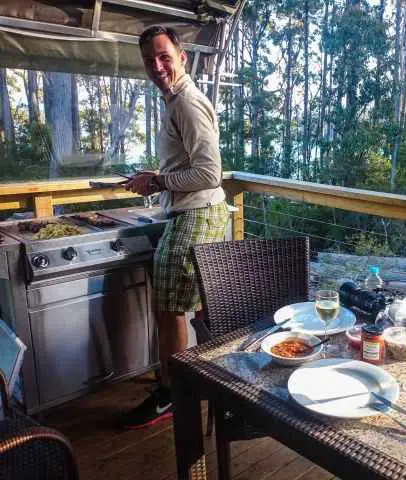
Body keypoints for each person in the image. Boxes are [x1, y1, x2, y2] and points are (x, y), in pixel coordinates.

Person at [121, 25, 229, 429]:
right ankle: (198, 379)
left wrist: (160, 182)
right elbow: (189, 164)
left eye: (164, 56)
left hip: (198, 213)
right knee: (194, 306)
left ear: (182, 57)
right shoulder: (174, 101)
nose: (157, 66)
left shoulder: (186, 102)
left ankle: (171, 395)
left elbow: (210, 173)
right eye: (150, 60)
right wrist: (159, 172)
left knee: (169, 308)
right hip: (197, 213)